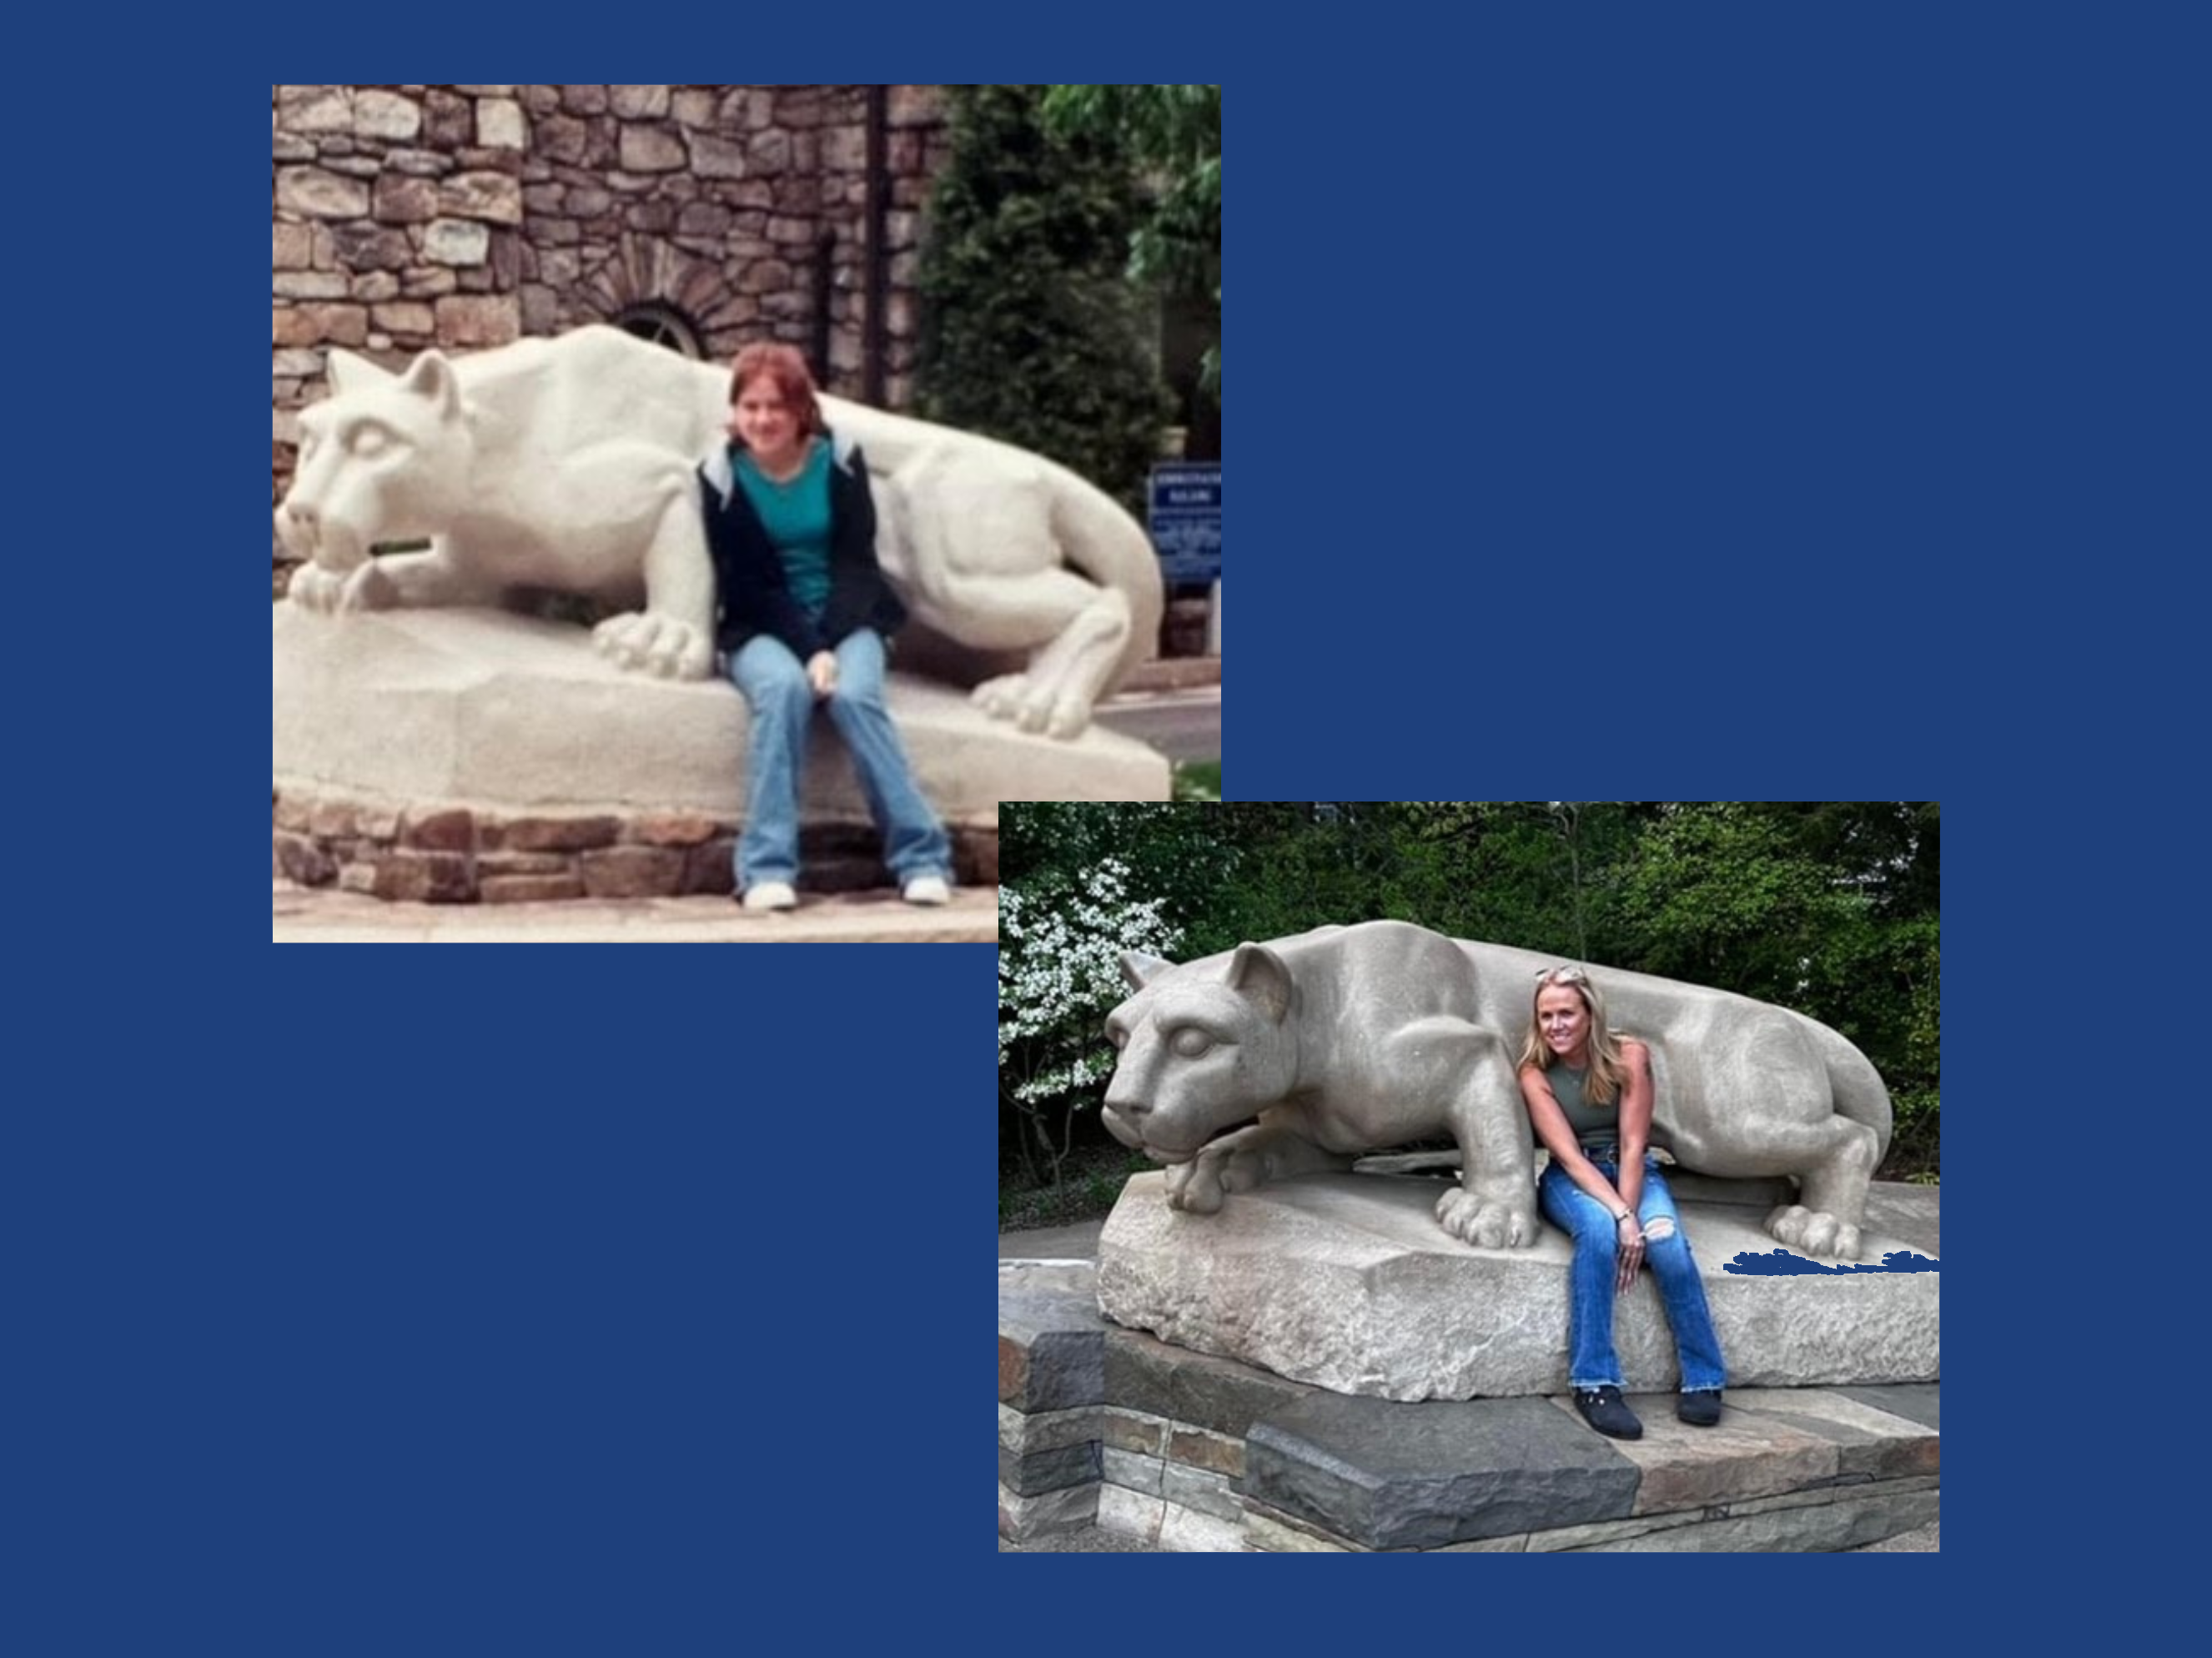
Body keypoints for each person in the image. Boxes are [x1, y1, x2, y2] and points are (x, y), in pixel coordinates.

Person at [700, 343, 953, 911]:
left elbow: (856, 564)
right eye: (750, 406)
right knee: (782, 689)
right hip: (760, 628)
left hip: (849, 617)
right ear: (736, 412)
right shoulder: (720, 479)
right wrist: (811, 651)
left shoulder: (839, 461)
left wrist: (831, 643)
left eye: (776, 407)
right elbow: (748, 587)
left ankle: (921, 858)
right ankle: (766, 868)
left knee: (856, 696)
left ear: (800, 411)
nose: (763, 419)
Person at [1520, 964, 1725, 1439]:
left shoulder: (1630, 1056)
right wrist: (1618, 1218)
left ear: (1591, 1013)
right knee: (1597, 1235)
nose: (1557, 1025)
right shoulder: (1534, 1072)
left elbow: (1635, 1145)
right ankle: (1594, 1381)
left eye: (1567, 1013)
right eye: (1546, 1016)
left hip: (1635, 1170)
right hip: (1574, 1178)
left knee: (1668, 1245)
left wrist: (1631, 1217)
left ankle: (1705, 1378)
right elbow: (1568, 1157)